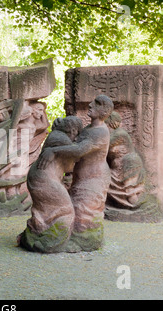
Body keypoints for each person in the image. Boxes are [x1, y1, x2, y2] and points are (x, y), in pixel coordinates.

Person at [37, 95, 114, 251]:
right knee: (75, 208)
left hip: (94, 178)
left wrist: (53, 150)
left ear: (104, 111)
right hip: (82, 177)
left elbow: (79, 150)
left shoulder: (100, 132)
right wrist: (60, 127)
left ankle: (86, 242)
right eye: (93, 101)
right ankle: (69, 237)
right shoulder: (89, 128)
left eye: (96, 103)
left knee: (85, 211)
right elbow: (74, 140)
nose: (90, 104)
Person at [19, 116, 83, 253]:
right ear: (73, 130)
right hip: (43, 179)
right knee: (66, 210)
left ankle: (34, 236)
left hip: (43, 177)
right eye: (77, 133)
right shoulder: (59, 137)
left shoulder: (58, 136)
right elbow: (78, 153)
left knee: (46, 211)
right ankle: (51, 243)